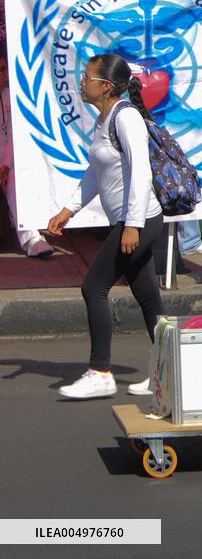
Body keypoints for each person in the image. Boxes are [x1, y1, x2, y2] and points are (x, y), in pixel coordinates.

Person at [46, 54, 165, 400]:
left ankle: (100, 372)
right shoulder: (105, 119)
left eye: (87, 78)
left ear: (106, 87)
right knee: (147, 297)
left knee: (93, 287)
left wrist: (132, 225)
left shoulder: (126, 118)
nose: (82, 83)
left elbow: (142, 172)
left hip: (139, 221)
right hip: (132, 221)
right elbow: (95, 173)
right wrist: (69, 209)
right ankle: (168, 372)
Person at [0, 49, 54, 257]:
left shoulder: (11, 96)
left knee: (18, 177)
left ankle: (32, 238)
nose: (4, 75)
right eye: (0, 70)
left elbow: (15, 138)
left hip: (9, 162)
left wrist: (5, 164)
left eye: (5, 69)